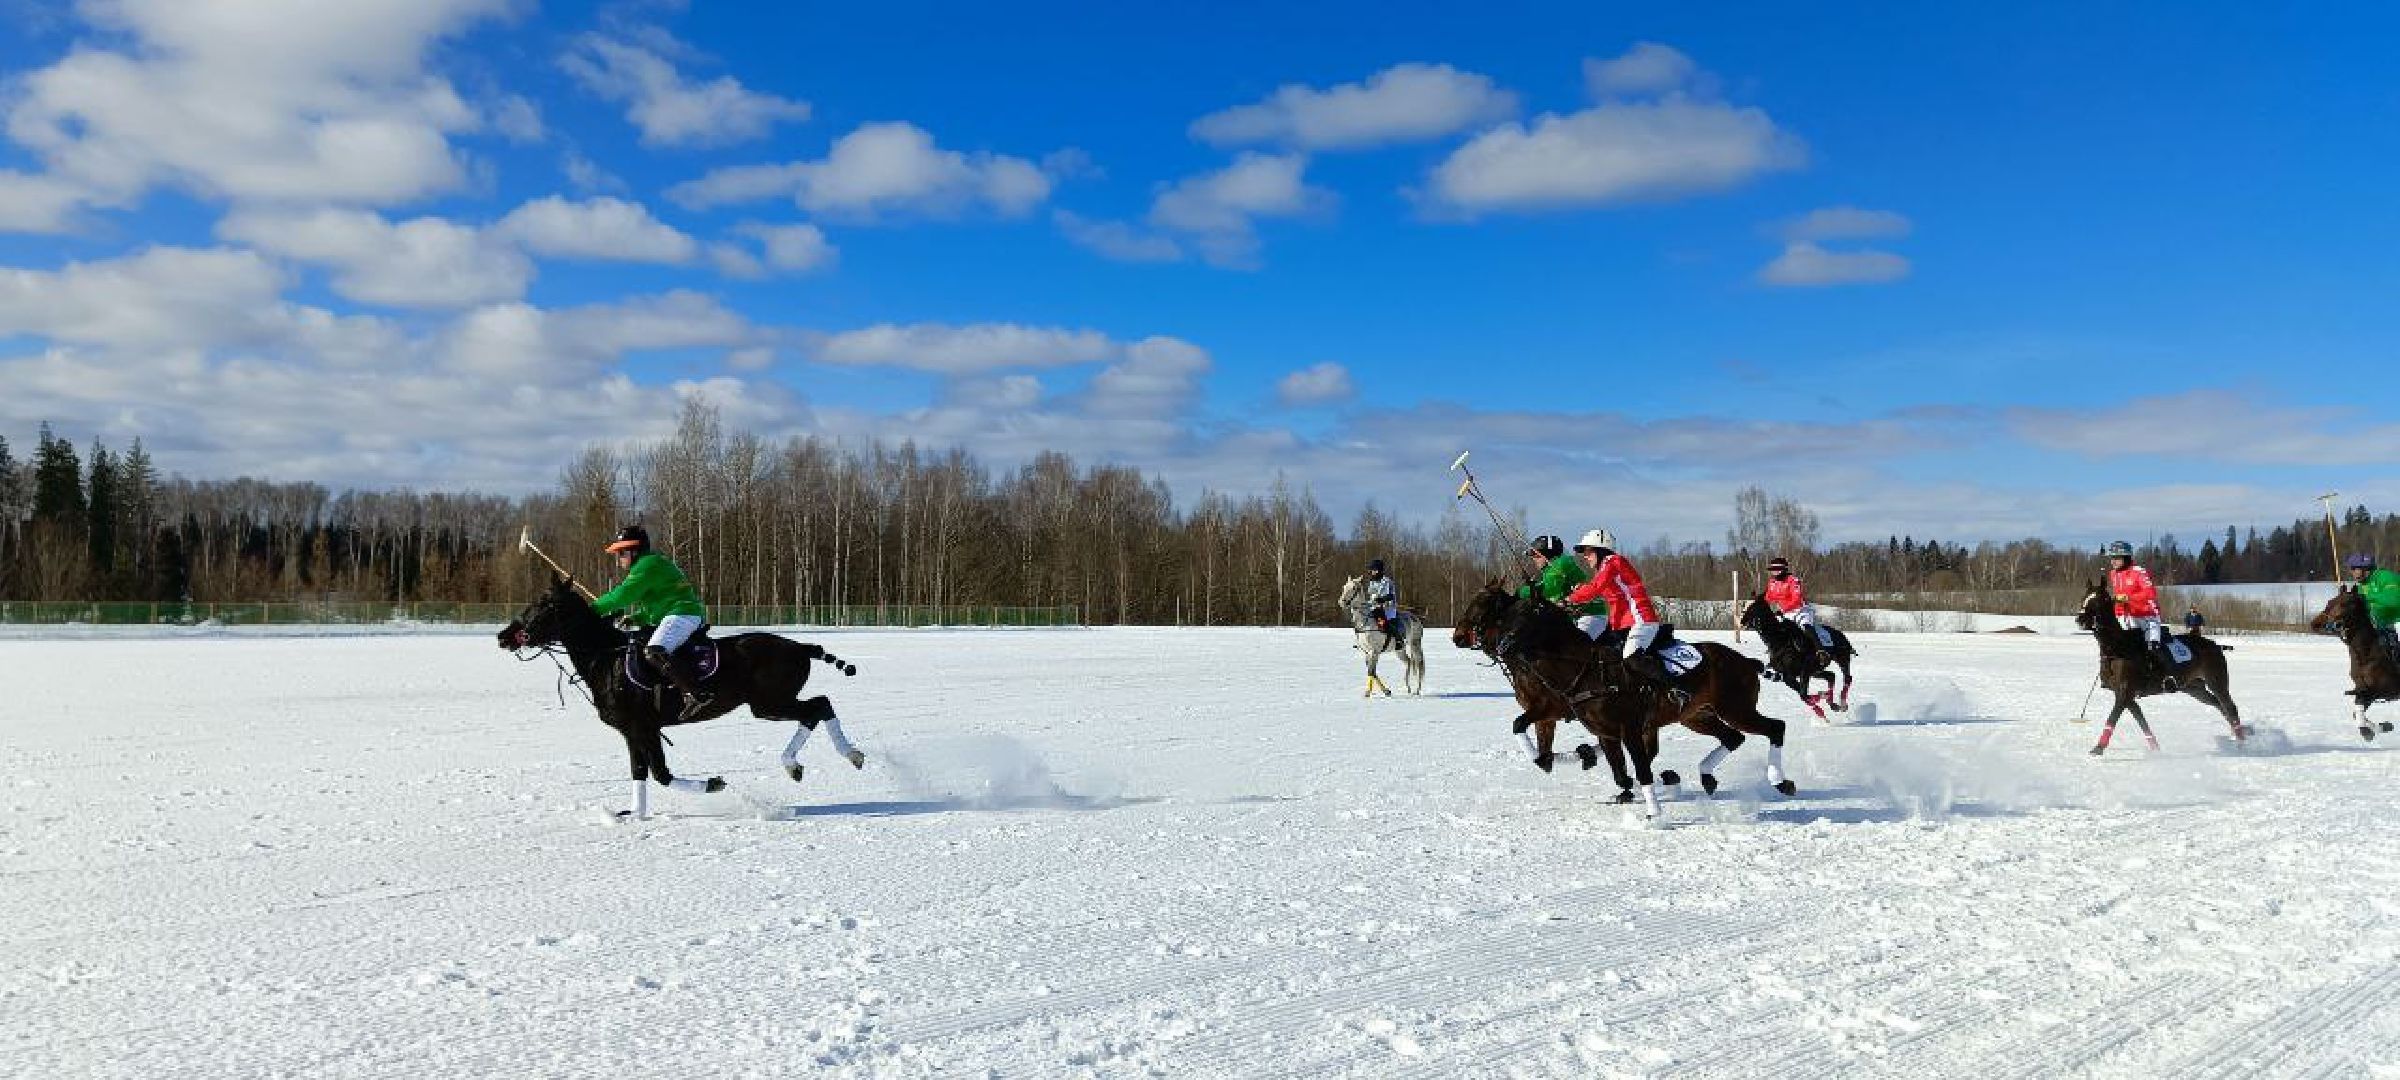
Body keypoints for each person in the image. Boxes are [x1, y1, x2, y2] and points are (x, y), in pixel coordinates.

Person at [592, 524, 715, 721]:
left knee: (654, 650)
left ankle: (695, 693)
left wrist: (590, 609)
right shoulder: (651, 563)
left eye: (622, 553)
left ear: (635, 550)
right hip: (674, 612)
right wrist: (637, 617)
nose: (619, 559)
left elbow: (622, 596)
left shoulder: (647, 565)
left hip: (682, 613)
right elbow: (658, 605)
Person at [1563, 529, 1675, 692]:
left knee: (1631, 658)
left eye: (1588, 551)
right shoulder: (1605, 568)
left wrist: (1569, 599)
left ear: (1600, 550)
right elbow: (1599, 590)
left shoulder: (1613, 561)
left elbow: (1595, 588)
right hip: (1620, 624)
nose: (1585, 556)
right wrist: (1581, 590)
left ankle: (1675, 689)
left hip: (1641, 620)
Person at [2103, 540, 2172, 683]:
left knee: (2152, 647)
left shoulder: (2139, 572)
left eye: (2117, 558)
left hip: (2147, 615)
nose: (2113, 561)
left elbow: (2150, 594)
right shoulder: (2113, 574)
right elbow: (2118, 598)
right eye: (2112, 558)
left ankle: (2167, 677)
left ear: (2126, 557)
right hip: (2125, 617)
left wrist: (2128, 598)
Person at [1518, 534, 1608, 639]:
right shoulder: (1549, 571)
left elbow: (1548, 590)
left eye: (1535, 555)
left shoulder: (1560, 563)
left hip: (1590, 616)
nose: (1533, 559)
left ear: (1547, 554)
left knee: (1575, 644)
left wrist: (1519, 593)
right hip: (1574, 619)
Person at [1763, 556, 1836, 649]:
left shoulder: (1793, 580)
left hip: (1800, 611)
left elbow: (1796, 599)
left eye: (1778, 569)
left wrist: (1783, 609)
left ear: (1784, 569)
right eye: (1773, 569)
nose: (1775, 572)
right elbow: (1768, 597)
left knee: (1806, 628)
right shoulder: (1771, 582)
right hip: (1783, 613)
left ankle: (1821, 651)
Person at [2347, 553, 2400, 658]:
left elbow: (2395, 600)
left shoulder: (2385, 576)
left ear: (2367, 569)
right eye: (2352, 569)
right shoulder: (2362, 586)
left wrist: (2368, 596)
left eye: (2356, 568)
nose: (2354, 573)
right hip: (2382, 626)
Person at [1364, 558, 1403, 651]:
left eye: (1373, 570)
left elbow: (1389, 596)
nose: (1371, 572)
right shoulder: (1372, 582)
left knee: (1384, 624)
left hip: (1387, 608)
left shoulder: (1387, 581)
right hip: (1375, 608)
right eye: (1371, 570)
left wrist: (1382, 599)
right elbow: (1371, 595)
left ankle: (1399, 640)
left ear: (1378, 570)